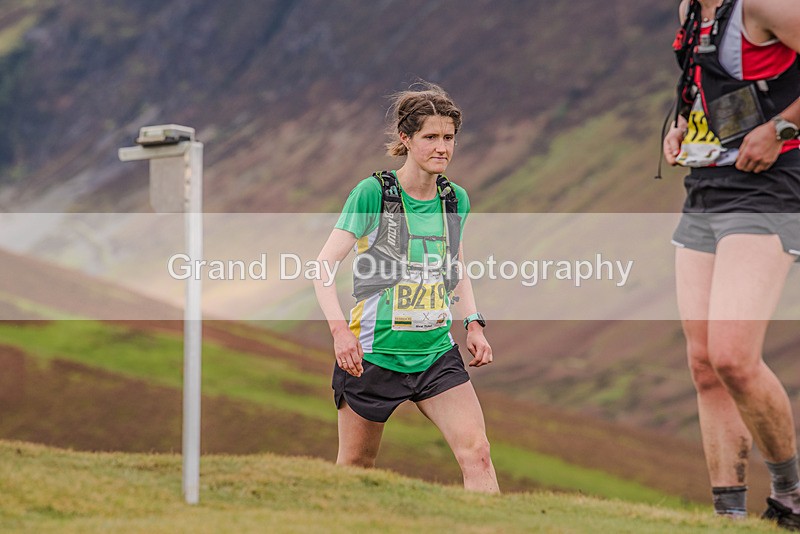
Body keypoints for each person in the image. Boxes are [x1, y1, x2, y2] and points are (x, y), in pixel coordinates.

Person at [313, 83, 499, 493]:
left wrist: (473, 323)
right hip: (373, 357)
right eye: (430, 137)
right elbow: (322, 268)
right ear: (406, 138)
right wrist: (340, 332)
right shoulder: (373, 194)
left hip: (435, 355)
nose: (442, 147)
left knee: (478, 454)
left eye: (448, 137)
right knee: (356, 467)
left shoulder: (455, 199)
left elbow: (457, 265)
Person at [664, 0, 800, 527]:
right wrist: (681, 126)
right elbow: (706, 90)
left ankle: (791, 497)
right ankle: (729, 516)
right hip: (706, 185)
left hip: (771, 186)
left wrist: (781, 130)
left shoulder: (766, 4)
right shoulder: (691, 10)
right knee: (704, 364)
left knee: (733, 357)